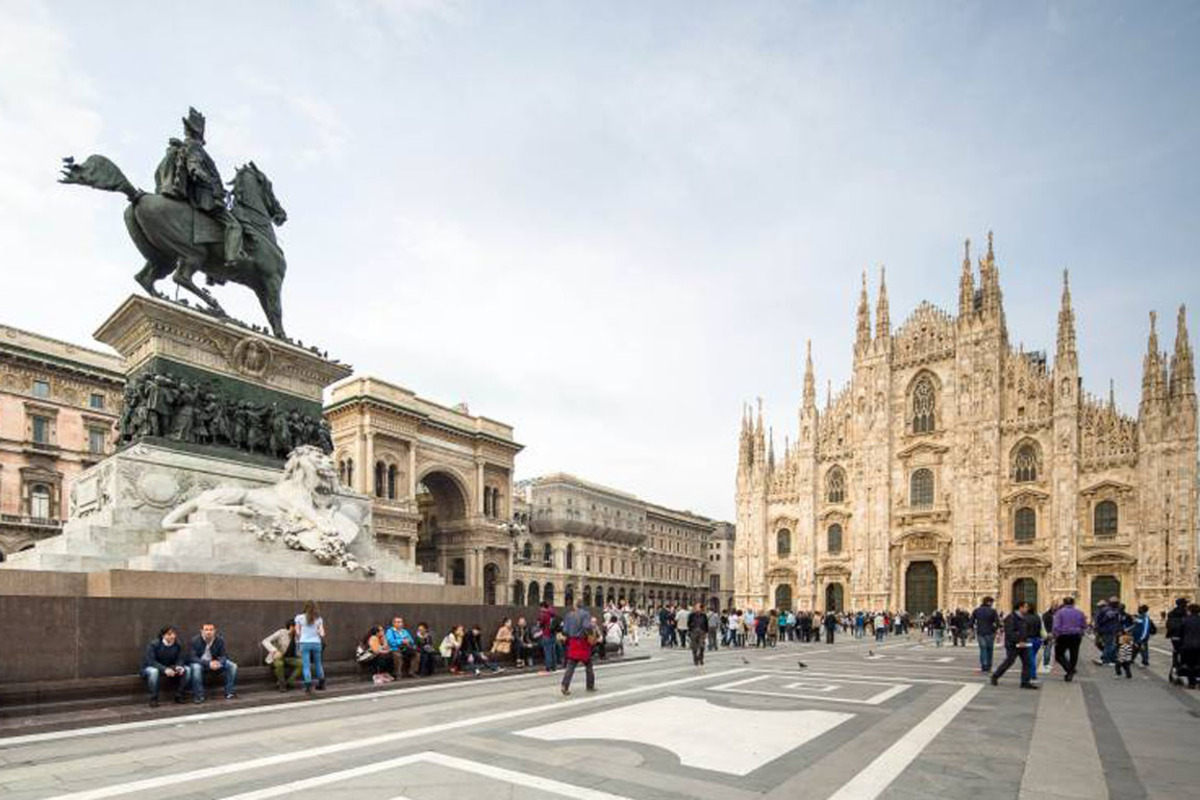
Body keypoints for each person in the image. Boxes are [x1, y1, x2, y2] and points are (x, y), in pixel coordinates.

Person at [141, 626, 193, 707]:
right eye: (169, 634)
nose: (172, 636)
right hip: (151, 667)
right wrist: (164, 669)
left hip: (170, 667)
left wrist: (179, 666)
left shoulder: (178, 644)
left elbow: (181, 658)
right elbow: (151, 661)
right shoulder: (154, 644)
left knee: (187, 670)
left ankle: (179, 695)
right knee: (154, 672)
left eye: (173, 634)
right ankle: (154, 698)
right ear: (163, 636)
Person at [187, 622, 238, 702]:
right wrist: (208, 663)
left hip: (215, 663)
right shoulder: (195, 640)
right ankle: (199, 696)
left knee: (232, 666)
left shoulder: (219, 640)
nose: (209, 632)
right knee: (196, 667)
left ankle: (229, 692)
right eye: (206, 630)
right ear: (202, 631)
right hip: (201, 663)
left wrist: (219, 662)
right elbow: (192, 657)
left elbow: (224, 655)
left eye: (211, 630)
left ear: (215, 631)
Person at [991, 602, 1036, 689]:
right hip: (1013, 644)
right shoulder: (1011, 618)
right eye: (1026, 607)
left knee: (1028, 662)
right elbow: (1010, 633)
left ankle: (1025, 682)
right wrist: (1019, 640)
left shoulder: (1023, 618)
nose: (1027, 609)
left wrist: (1025, 639)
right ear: (1020, 608)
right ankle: (995, 676)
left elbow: (1024, 630)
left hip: (1023, 644)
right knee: (1009, 662)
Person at [561, 600, 596, 695]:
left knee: (571, 665)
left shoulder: (569, 615)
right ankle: (590, 686)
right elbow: (586, 627)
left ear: (575, 606)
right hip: (583, 642)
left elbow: (565, 630)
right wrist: (591, 635)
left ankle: (565, 685)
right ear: (582, 606)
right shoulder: (585, 614)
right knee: (588, 665)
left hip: (573, 642)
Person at [1052, 597, 1087, 681]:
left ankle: (1069, 670)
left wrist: (1056, 635)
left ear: (1064, 603)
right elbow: (1084, 625)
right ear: (1073, 603)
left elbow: (1056, 626)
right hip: (1076, 636)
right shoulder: (1080, 613)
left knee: (1059, 655)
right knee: (1074, 654)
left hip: (1063, 636)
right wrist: (1080, 631)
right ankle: (1070, 672)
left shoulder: (1059, 613)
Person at [295, 599, 326, 695]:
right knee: (318, 664)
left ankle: (308, 686)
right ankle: (322, 684)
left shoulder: (299, 618)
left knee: (306, 665)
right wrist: (317, 632)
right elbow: (322, 634)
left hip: (304, 643)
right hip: (316, 643)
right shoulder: (319, 619)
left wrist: (301, 637)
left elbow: (298, 632)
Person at [262, 619, 302, 691]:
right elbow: (265, 641)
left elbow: (298, 651)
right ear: (291, 627)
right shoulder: (281, 632)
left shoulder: (297, 636)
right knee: (279, 663)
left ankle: (288, 682)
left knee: (303, 663)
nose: (300, 629)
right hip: (277, 657)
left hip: (288, 659)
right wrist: (275, 651)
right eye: (298, 627)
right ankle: (282, 684)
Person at [971, 597, 1000, 673]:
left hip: (980, 632)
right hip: (990, 632)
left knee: (983, 649)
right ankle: (989, 666)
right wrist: (995, 629)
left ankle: (984, 666)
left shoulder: (977, 610)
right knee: (989, 649)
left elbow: (971, 621)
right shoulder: (993, 611)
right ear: (989, 602)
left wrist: (973, 629)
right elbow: (997, 622)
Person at [1093, 597, 1121, 665]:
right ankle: (1106, 659)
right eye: (1117, 603)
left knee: (1111, 645)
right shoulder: (1110, 611)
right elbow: (1104, 620)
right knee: (1109, 645)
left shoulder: (1107, 610)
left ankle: (1112, 658)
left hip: (1107, 629)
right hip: (1108, 630)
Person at [1179, 603, 1200, 689]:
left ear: (1189, 610)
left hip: (1188, 646)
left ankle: (1191, 683)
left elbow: (1180, 633)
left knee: (1190, 665)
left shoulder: (1185, 620)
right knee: (1199, 663)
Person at [687, 601, 709, 667]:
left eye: (699, 607)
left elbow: (706, 624)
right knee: (694, 647)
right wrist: (691, 628)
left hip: (702, 632)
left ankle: (701, 658)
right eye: (697, 607)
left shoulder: (704, 615)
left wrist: (706, 632)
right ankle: (695, 659)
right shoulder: (691, 615)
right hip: (693, 631)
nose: (698, 608)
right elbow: (688, 623)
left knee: (702, 646)